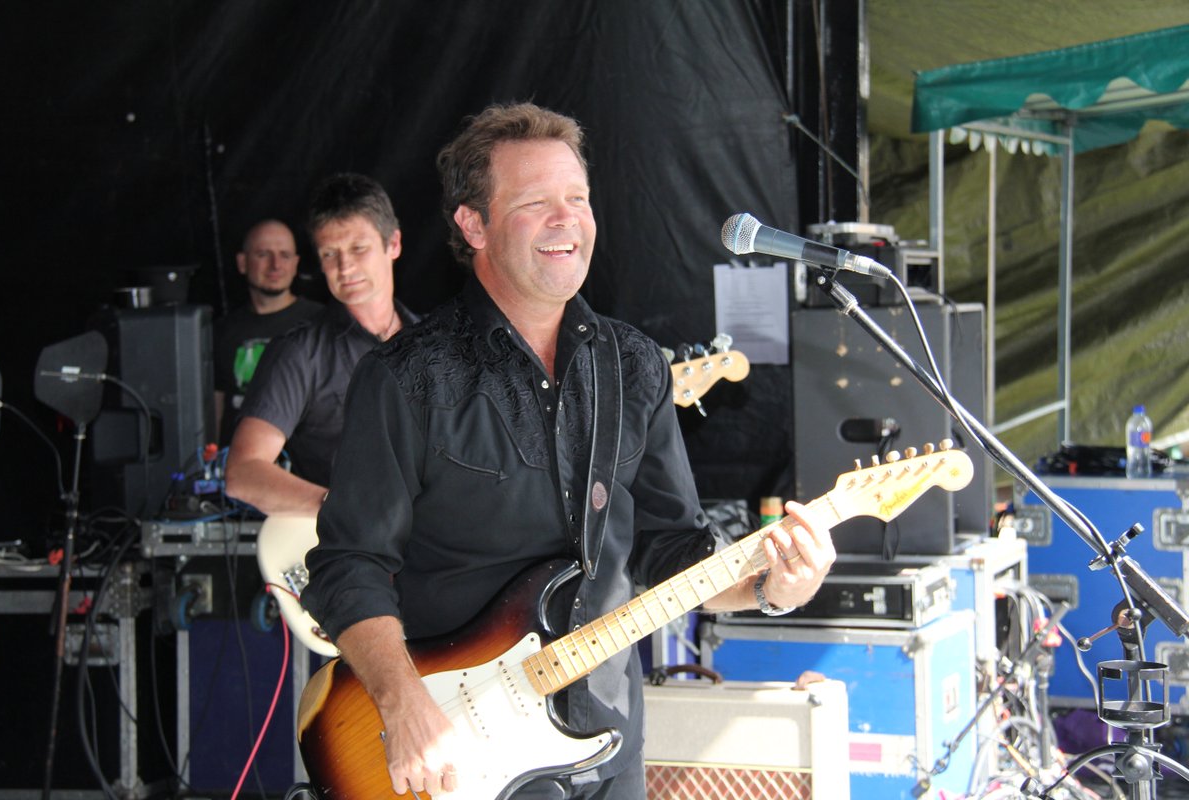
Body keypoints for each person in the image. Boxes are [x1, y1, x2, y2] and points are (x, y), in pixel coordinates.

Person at [301, 104, 836, 798]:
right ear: (473, 224)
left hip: (607, 739)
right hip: (457, 749)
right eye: (535, 203)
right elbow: (350, 566)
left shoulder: (634, 365)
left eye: (577, 200)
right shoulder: (407, 377)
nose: (567, 220)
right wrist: (403, 704)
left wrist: (772, 586)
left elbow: (669, 551)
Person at [224, 174, 418, 515]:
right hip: (352, 555)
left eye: (358, 248)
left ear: (394, 244)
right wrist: (345, 510)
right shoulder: (299, 352)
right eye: (330, 254)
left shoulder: (435, 340)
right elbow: (243, 472)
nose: (345, 267)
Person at [213, 219, 324, 445]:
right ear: (242, 263)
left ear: (295, 264)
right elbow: (215, 407)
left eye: (284, 255)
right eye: (263, 254)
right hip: (237, 467)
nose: (275, 265)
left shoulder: (322, 323)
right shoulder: (221, 331)